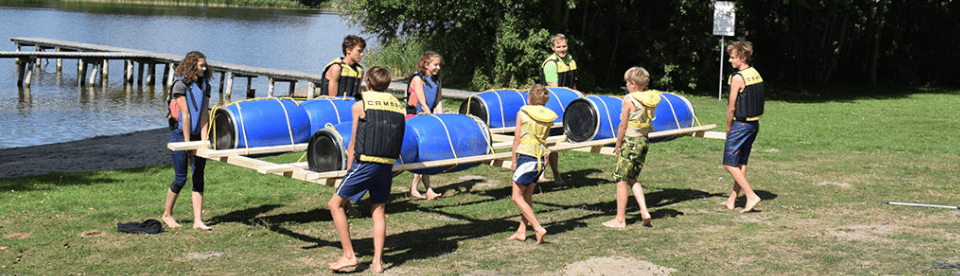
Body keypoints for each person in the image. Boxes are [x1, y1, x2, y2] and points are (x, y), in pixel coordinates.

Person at [327, 66, 405, 273]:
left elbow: (353, 141)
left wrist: (349, 169)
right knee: (378, 210)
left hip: (366, 163)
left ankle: (349, 255)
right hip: (387, 165)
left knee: (335, 204)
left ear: (367, 83)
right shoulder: (398, 106)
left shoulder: (360, 105)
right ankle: (377, 262)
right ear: (387, 85)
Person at [602, 67, 660, 229]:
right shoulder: (650, 98)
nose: (626, 85)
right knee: (632, 178)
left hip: (630, 142)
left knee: (620, 179)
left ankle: (620, 219)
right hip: (643, 142)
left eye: (627, 82)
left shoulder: (629, 99)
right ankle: (644, 211)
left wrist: (618, 144)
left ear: (633, 84)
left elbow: (623, 125)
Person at [162, 51, 213, 231]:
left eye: (205, 65)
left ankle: (198, 221)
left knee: (198, 176)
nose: (204, 68)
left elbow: (204, 115)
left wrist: (204, 140)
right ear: (192, 66)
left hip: (197, 135)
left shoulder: (206, 85)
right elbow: (186, 115)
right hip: (180, 135)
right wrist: (187, 145)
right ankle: (167, 215)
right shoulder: (180, 85)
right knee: (181, 177)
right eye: (201, 65)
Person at [719, 40, 765, 214]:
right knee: (741, 162)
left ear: (742, 56)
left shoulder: (738, 78)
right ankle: (732, 200)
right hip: (754, 124)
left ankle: (751, 195)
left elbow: (731, 107)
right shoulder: (756, 73)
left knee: (728, 163)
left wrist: (728, 127)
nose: (730, 61)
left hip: (741, 124)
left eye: (732, 57)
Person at [505, 84, 554, 245]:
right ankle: (522, 230)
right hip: (540, 159)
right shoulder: (548, 116)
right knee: (527, 196)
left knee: (516, 196)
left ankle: (538, 227)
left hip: (527, 157)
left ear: (529, 99)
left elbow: (517, 139)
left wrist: (513, 161)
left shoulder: (523, 113)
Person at [536, 33, 574, 185]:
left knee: (555, 145)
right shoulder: (551, 64)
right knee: (544, 142)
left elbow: (572, 84)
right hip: (550, 105)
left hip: (563, 104)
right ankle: (541, 174)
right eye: (558, 47)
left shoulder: (570, 61)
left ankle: (556, 175)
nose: (562, 49)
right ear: (553, 48)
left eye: (564, 46)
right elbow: (554, 89)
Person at [405, 51, 443, 200]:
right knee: (422, 153)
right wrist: (430, 118)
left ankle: (423, 189)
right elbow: (422, 103)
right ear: (426, 65)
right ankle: (420, 189)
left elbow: (438, 102)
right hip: (415, 118)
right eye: (435, 64)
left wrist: (441, 121)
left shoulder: (437, 81)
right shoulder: (417, 79)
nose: (438, 67)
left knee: (426, 154)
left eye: (439, 64)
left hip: (428, 118)